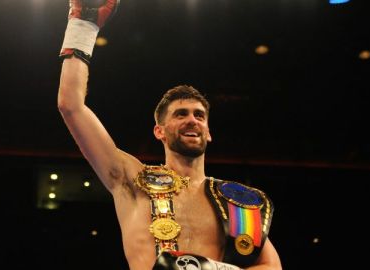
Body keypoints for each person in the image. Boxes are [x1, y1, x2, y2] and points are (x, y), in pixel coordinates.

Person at [57, 1, 282, 269]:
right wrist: (83, 24)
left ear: (208, 132)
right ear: (159, 131)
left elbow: (272, 267)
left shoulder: (234, 202)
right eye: (180, 114)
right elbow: (70, 105)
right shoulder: (132, 180)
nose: (192, 120)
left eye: (199, 115)